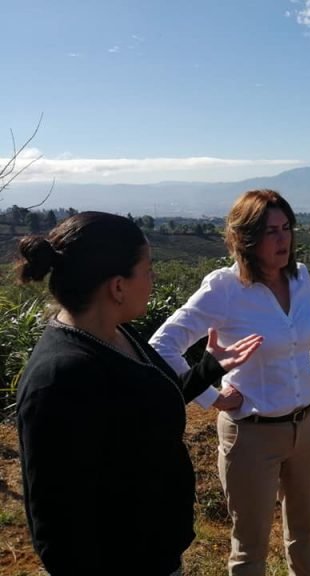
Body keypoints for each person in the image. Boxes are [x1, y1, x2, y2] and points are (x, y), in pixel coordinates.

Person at [15, 212, 263, 576]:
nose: (153, 279)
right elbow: (56, 524)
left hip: (156, 554)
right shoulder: (59, 379)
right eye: (147, 270)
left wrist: (208, 368)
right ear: (117, 287)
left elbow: (146, 406)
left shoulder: (116, 336)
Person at [150, 189, 310, 576]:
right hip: (251, 434)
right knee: (250, 547)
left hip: (307, 424)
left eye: (287, 228)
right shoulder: (225, 289)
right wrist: (212, 397)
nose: (283, 239)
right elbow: (162, 345)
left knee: (305, 530)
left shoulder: (301, 279)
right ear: (246, 239)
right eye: (270, 232)